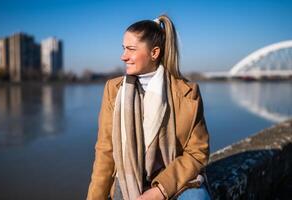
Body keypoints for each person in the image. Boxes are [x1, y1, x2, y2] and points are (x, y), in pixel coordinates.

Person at [87, 14, 211, 200]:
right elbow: (105, 151)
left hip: (173, 182)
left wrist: (160, 191)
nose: (123, 56)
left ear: (154, 53)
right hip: (127, 184)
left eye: (131, 49)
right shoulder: (114, 90)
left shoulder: (188, 93)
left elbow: (197, 152)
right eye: (123, 49)